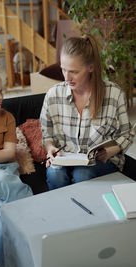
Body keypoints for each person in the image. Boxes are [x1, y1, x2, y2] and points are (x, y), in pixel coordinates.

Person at [40, 34, 135, 190]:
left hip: (101, 162)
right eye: (63, 69)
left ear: (91, 67)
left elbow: (127, 134)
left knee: (81, 174)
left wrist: (112, 150)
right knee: (55, 173)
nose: (67, 77)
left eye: (74, 72)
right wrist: (50, 148)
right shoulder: (53, 95)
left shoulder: (114, 94)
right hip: (65, 158)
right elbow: (46, 135)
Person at [0, 69, 33, 266]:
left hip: (7, 167)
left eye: (1, 91)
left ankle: (3, 261)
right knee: (5, 183)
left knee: (6, 206)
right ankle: (32, 207)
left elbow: (8, 153)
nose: (1, 97)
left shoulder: (8, 117)